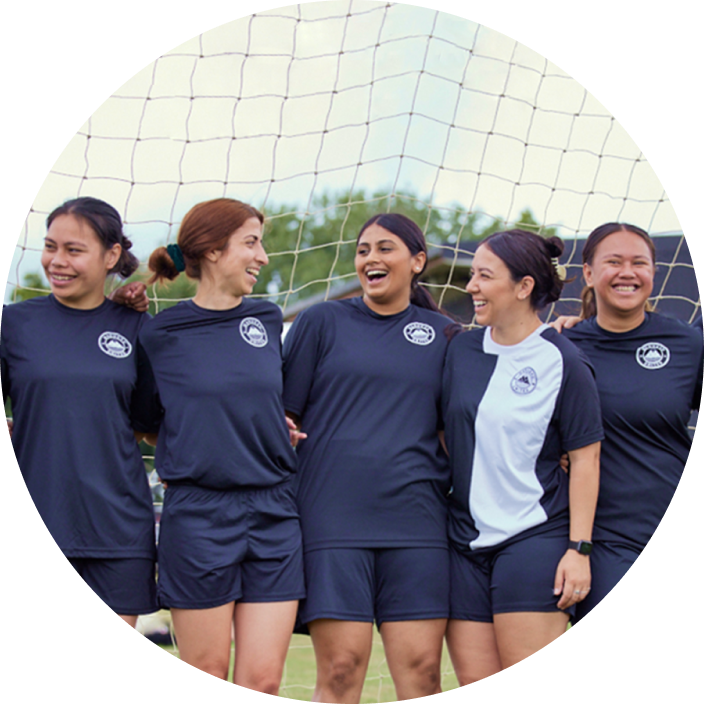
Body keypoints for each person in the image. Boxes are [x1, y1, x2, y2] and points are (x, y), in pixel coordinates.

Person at [282, 213, 454, 703]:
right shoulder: (320, 321)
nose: (371, 259)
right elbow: (281, 418)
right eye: (363, 250)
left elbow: (464, 426)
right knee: (340, 671)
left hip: (418, 526)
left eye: (385, 248)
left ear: (418, 261)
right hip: (332, 523)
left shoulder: (445, 335)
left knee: (422, 675)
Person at [138, 198, 304, 691]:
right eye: (251, 242)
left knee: (263, 680)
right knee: (209, 670)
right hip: (199, 515)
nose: (263, 256)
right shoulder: (160, 333)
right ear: (211, 250)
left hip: (274, 510)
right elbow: (148, 422)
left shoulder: (267, 319)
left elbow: (267, 403)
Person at [441, 229, 603, 683]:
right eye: (472, 274)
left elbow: (586, 461)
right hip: (463, 543)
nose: (471, 286)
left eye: (484, 276)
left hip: (534, 539)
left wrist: (579, 549)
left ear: (523, 286)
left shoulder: (563, 360)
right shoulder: (460, 350)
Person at [1, 197, 159, 627]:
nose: (57, 261)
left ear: (111, 256)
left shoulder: (138, 328)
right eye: (51, 247)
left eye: (74, 250)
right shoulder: (13, 325)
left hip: (119, 530)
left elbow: (151, 426)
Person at [555, 223, 704, 622]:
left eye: (639, 263)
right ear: (588, 273)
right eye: (614, 262)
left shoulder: (688, 345)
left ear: (654, 273)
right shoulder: (562, 348)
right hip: (602, 542)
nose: (628, 272)